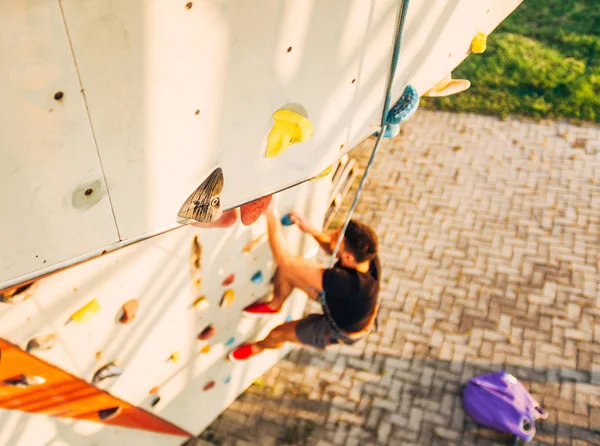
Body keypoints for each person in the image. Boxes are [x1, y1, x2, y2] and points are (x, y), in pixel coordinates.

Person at [228, 196, 381, 362]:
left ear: (349, 258)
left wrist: (271, 214)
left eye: (335, 237)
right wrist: (308, 228)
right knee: (290, 272)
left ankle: (258, 347)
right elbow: (333, 248)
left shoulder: (345, 283)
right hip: (343, 302)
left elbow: (285, 261)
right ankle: (275, 304)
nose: (330, 237)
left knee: (278, 333)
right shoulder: (368, 257)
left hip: (338, 327)